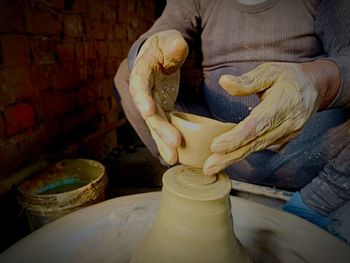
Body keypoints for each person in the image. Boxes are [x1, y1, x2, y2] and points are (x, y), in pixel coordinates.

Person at [114, 0, 350, 237]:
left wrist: (319, 82)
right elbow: (166, 28)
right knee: (130, 73)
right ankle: (191, 177)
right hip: (220, 147)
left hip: (303, 149)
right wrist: (151, 49)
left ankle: (314, 203)